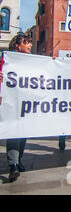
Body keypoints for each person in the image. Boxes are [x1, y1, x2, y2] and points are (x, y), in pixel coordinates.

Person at [4, 33, 32, 182]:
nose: (30, 45)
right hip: (10, 101)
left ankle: (18, 160)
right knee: (14, 131)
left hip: (25, 101)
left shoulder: (31, 60)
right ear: (17, 45)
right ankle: (13, 164)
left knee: (22, 131)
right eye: (26, 42)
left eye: (30, 42)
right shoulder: (7, 58)